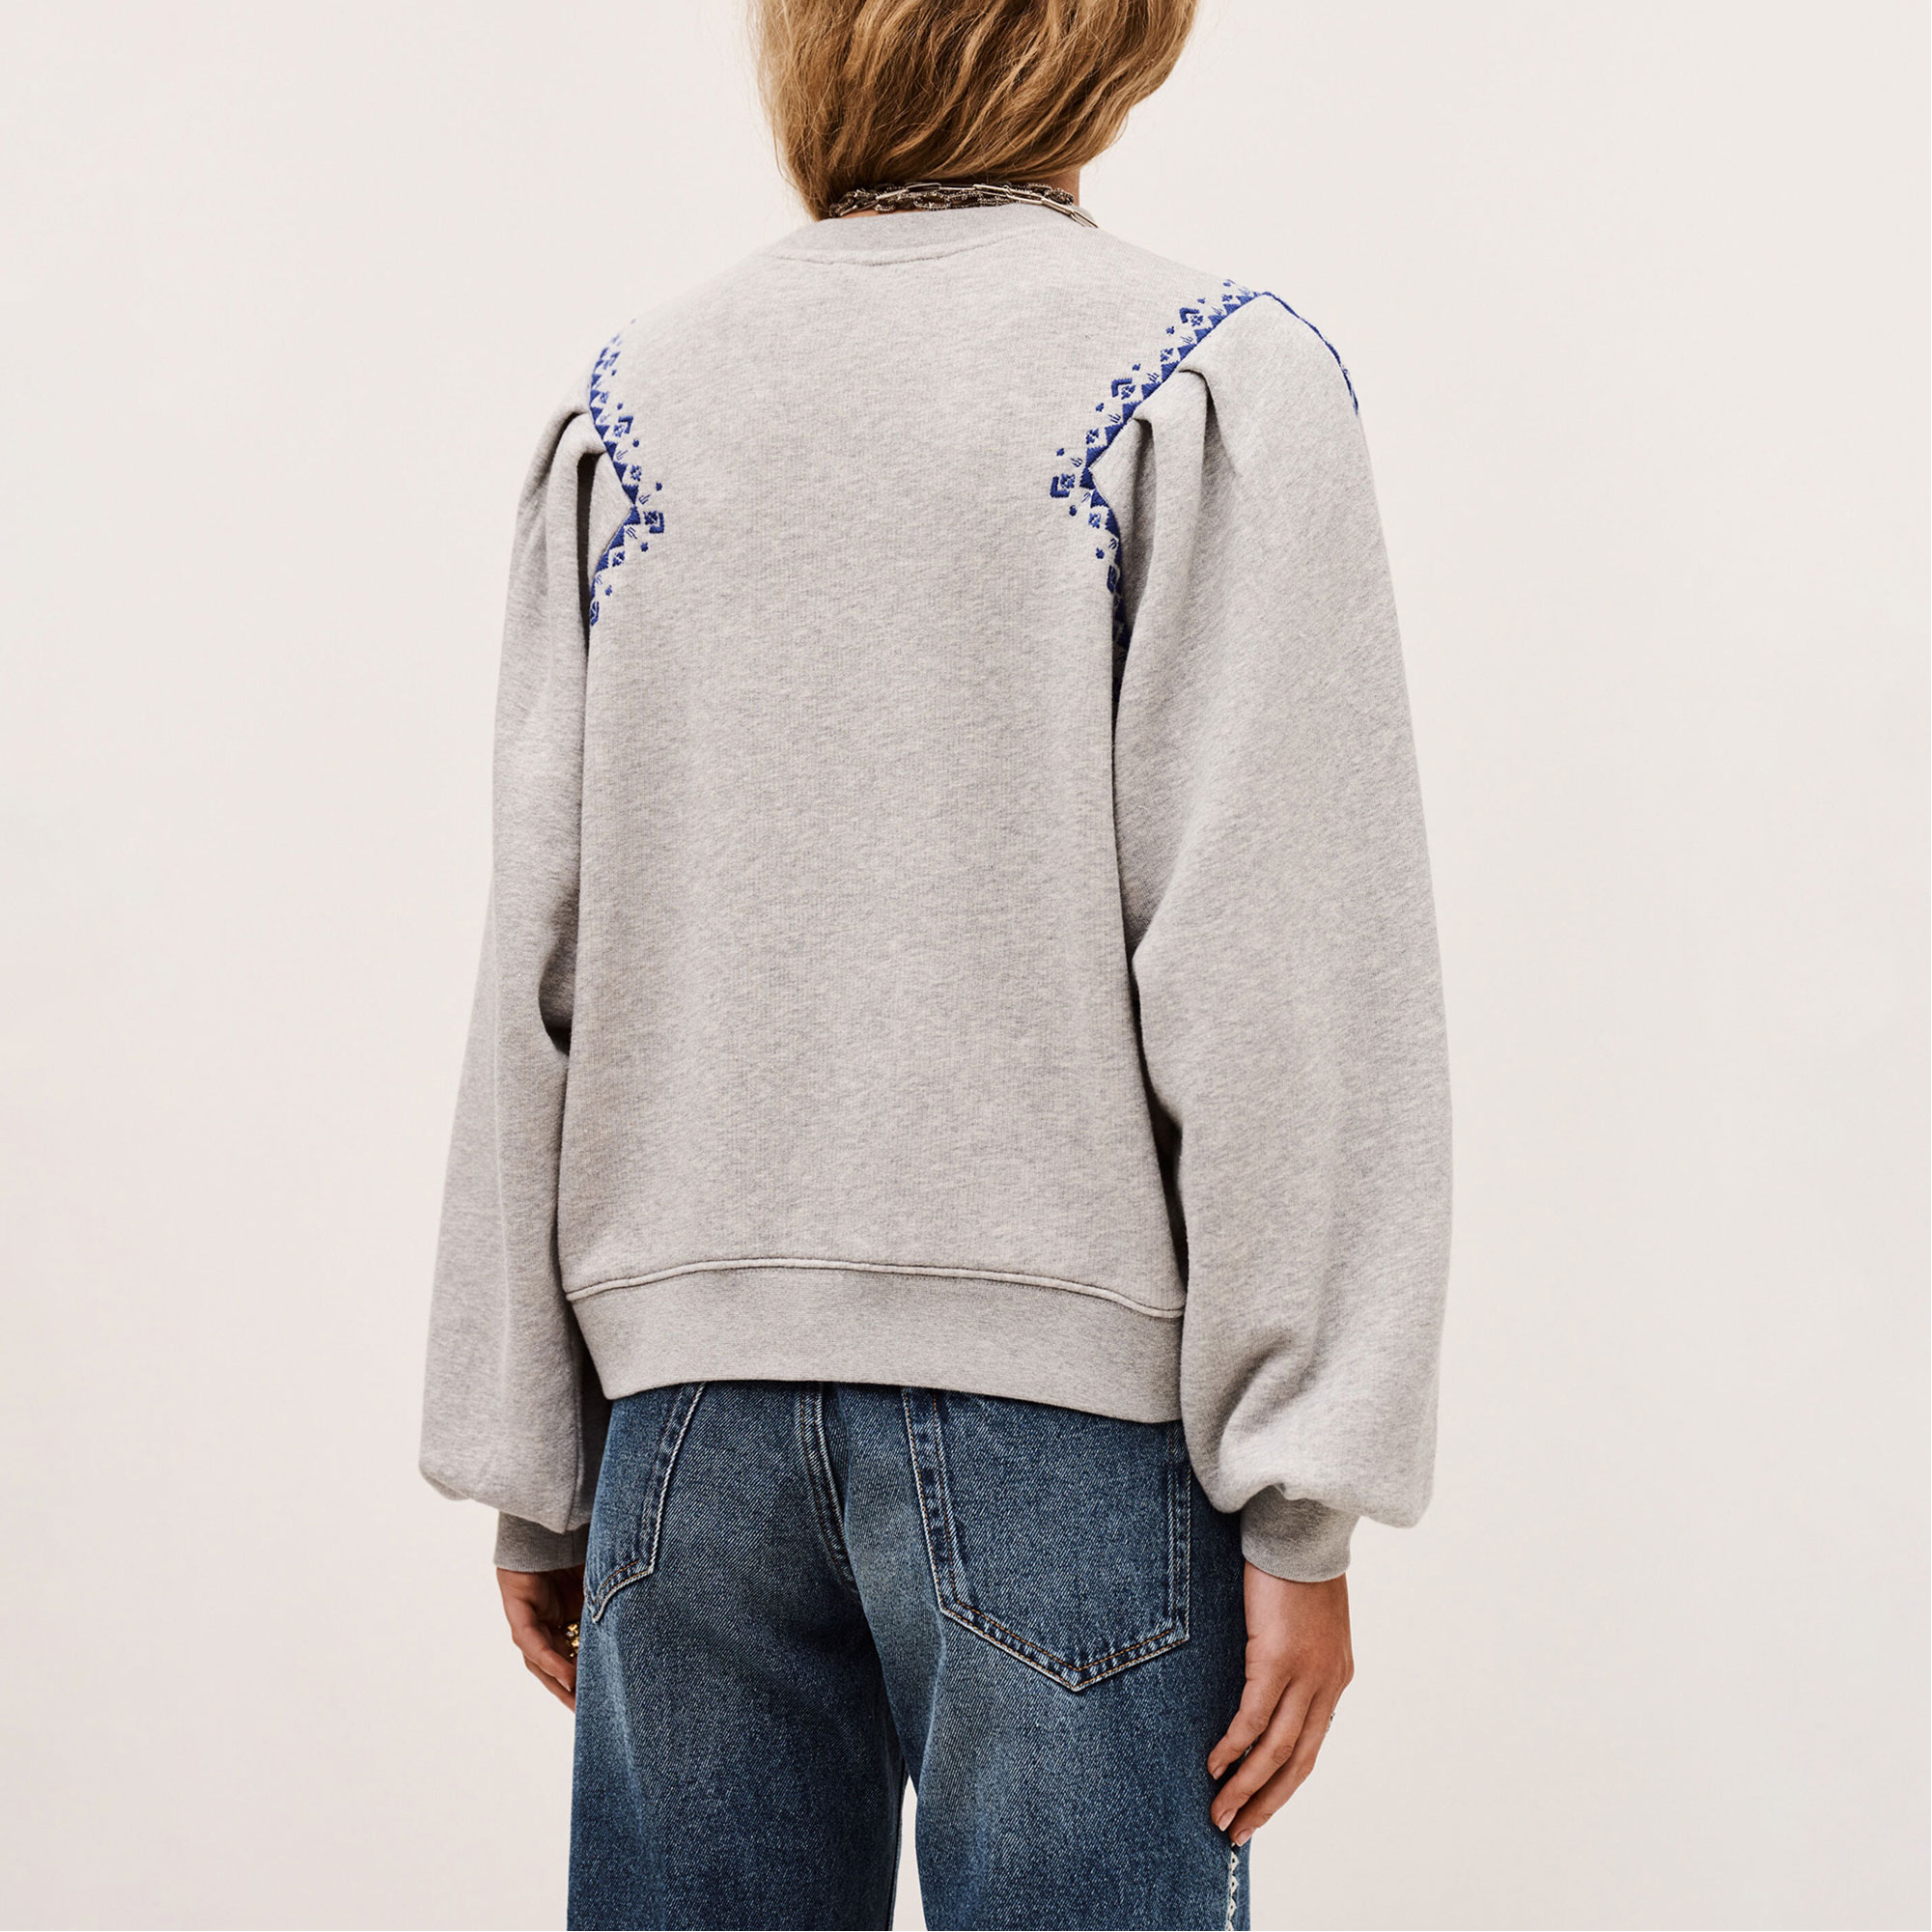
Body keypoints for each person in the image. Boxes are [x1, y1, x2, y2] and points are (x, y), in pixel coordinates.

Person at [419, 2, 1451, 1924]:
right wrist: (1302, 1490)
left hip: (681, 1429)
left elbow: (536, 952)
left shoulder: (633, 402)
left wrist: (530, 1458)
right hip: (1061, 1436)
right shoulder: (1200, 378)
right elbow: (1276, 966)